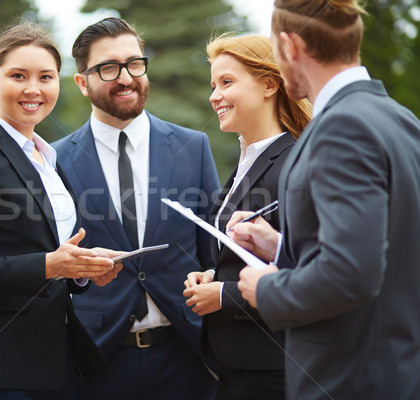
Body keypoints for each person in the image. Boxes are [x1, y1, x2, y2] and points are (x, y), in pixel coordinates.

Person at [228, 1, 420, 398]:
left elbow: (351, 273)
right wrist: (280, 246)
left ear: (290, 47)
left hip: (350, 379)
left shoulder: (341, 127)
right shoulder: (404, 120)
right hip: (404, 373)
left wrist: (269, 288)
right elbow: (390, 246)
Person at [0, 22, 121, 400]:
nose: (33, 89)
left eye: (46, 77)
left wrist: (82, 270)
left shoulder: (50, 159)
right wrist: (49, 265)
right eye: (18, 75)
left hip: (60, 365)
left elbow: (50, 256)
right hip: (0, 367)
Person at [53, 17, 220, 400]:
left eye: (134, 63)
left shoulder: (193, 147)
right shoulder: (55, 159)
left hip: (187, 358)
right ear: (82, 82)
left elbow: (212, 251)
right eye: (108, 68)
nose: (126, 77)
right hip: (96, 363)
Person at [183, 34, 311, 400]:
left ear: (270, 84)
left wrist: (223, 295)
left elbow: (310, 268)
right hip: (237, 365)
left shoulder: (294, 162)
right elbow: (255, 255)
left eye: (227, 82)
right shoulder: (247, 159)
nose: (214, 96)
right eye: (213, 85)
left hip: (275, 368)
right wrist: (213, 274)